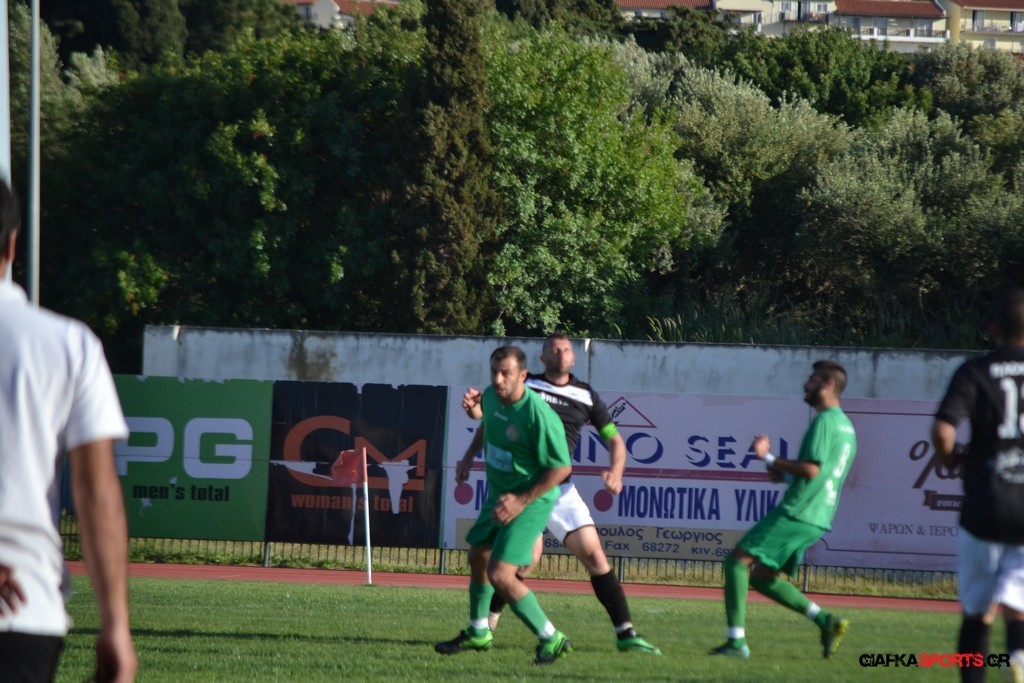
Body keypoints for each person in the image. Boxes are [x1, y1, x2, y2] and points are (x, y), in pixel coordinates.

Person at [0, 179, 137, 682]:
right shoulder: (68, 344)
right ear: (12, 244)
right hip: (23, 606)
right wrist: (116, 624)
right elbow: (96, 492)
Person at [458, 333, 661, 654]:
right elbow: (486, 416)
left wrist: (616, 471)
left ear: (574, 358)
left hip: (558, 487)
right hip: (523, 486)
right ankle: (487, 625)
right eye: (554, 349)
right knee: (519, 565)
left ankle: (626, 634)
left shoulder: (585, 395)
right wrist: (470, 443)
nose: (561, 353)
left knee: (594, 556)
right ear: (542, 358)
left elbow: (614, 439)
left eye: (567, 349)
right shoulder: (524, 384)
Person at [435, 345, 574, 665]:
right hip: (499, 495)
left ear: (523, 375)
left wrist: (521, 501)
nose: (498, 380)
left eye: (506, 374)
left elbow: (561, 468)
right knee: (478, 555)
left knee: (500, 574)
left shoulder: (539, 416)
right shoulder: (492, 395)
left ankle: (551, 637)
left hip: (530, 500)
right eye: (494, 373)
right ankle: (478, 631)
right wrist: (468, 455)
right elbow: (484, 421)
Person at [710, 360, 856, 659]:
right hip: (818, 517)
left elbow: (812, 469)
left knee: (736, 562)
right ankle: (826, 621)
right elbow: (825, 474)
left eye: (812, 380)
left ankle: (736, 643)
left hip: (797, 511)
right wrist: (787, 476)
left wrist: (767, 457)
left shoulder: (825, 421)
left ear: (828, 385)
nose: (806, 384)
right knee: (762, 577)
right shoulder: (846, 427)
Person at [932, 288, 1024, 683]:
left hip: (986, 504)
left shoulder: (975, 371)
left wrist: (948, 459)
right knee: (1019, 608)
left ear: (992, 328)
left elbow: (943, 430)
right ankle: (1018, 657)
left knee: (978, 614)